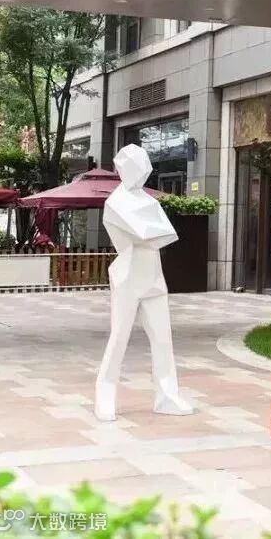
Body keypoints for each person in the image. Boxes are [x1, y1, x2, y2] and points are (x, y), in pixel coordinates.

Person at [95, 144, 191, 421]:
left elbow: (166, 234)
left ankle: (167, 395)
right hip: (129, 273)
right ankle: (105, 393)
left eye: (145, 165)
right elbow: (147, 234)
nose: (144, 170)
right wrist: (151, 231)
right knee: (119, 337)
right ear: (123, 167)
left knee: (163, 338)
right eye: (139, 165)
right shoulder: (115, 202)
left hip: (153, 273)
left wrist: (150, 231)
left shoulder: (149, 201)